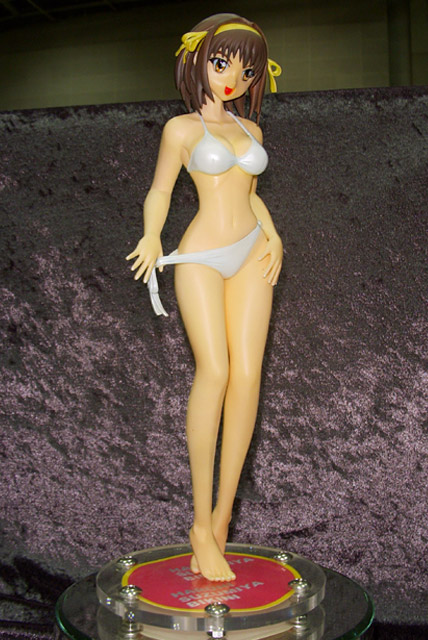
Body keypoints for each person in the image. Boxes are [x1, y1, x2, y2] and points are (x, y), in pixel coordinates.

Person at [126, 13, 283, 582]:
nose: (233, 78)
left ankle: (220, 521)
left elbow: (251, 194)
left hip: (253, 251)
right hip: (200, 256)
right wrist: (151, 235)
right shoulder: (180, 129)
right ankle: (197, 523)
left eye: (247, 71)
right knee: (214, 372)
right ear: (197, 60)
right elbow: (161, 190)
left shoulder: (252, 131)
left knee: (249, 377)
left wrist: (274, 235)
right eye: (221, 63)